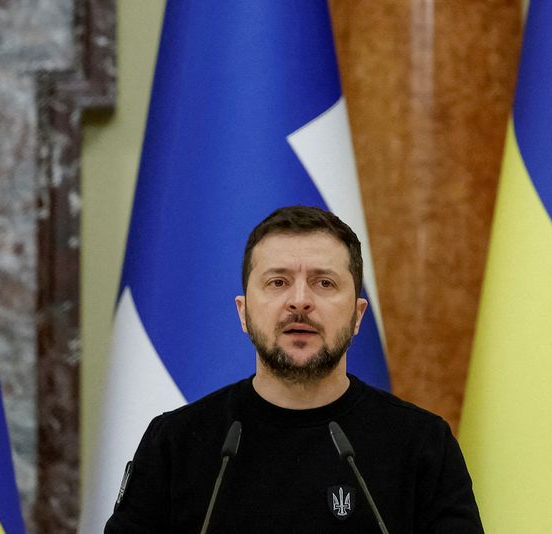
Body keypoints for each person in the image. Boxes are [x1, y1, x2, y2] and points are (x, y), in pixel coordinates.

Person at [105, 206, 483, 533]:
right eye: (278, 282)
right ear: (243, 312)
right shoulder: (176, 443)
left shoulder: (422, 445)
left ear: (357, 315)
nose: (299, 301)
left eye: (324, 282)